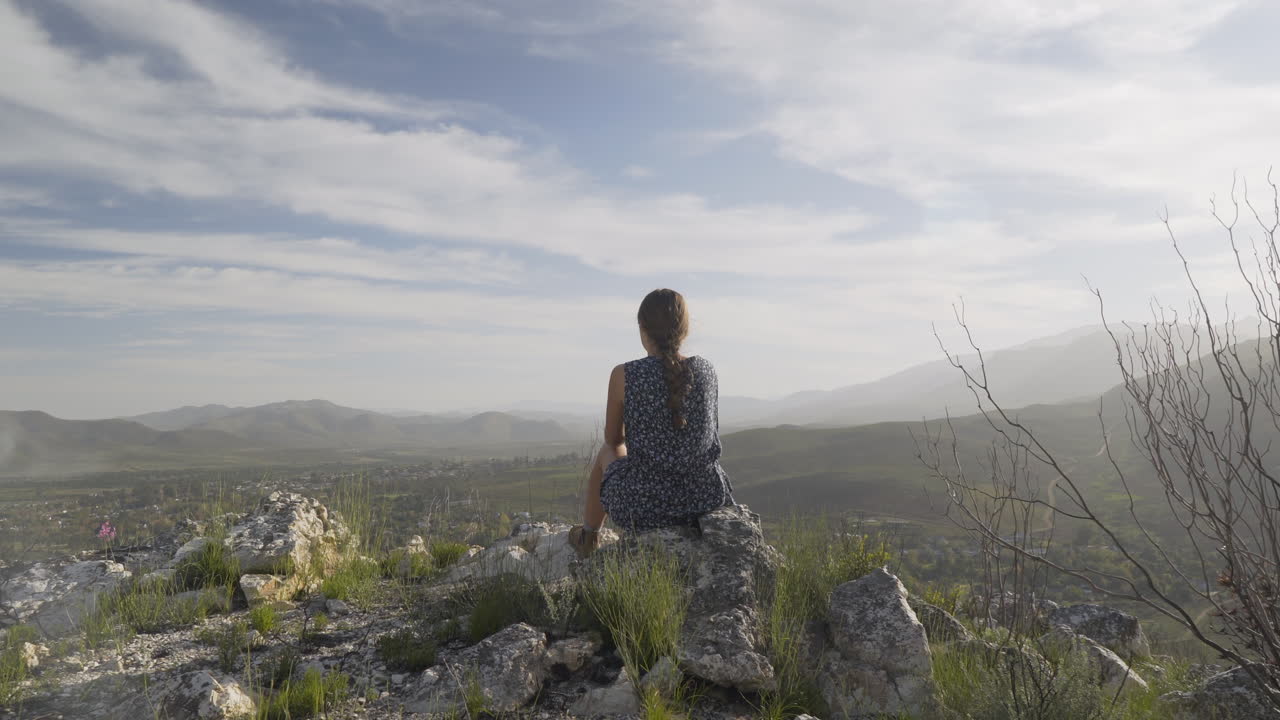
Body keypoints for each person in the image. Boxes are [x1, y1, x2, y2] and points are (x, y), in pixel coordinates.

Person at [568, 288, 734, 557]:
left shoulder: (625, 374)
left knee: (607, 451)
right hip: (705, 499)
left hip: (644, 507)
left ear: (642, 329)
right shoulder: (707, 370)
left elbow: (613, 439)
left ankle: (589, 537)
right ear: (685, 329)